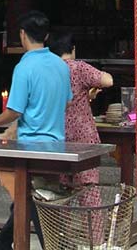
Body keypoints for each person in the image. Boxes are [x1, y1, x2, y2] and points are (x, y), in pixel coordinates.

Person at [0, 11, 71, 250]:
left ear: (22, 35)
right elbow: (67, 101)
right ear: (47, 35)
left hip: (29, 148)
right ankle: (0, 246)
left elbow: (14, 111)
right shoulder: (61, 66)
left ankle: (53, 246)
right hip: (57, 145)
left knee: (30, 200)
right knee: (30, 197)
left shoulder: (25, 67)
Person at [48, 30, 114, 187]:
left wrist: (87, 95)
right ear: (73, 49)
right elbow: (108, 81)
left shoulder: (48, 71)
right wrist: (91, 85)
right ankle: (93, 213)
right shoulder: (79, 68)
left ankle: (63, 212)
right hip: (82, 137)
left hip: (57, 136)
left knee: (62, 190)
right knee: (88, 187)